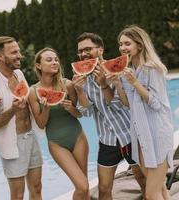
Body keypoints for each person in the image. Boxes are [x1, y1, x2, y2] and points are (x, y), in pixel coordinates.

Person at [72, 32, 146, 200]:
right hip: (107, 139)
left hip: (130, 134)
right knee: (104, 189)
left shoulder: (117, 71)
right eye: (80, 51)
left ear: (100, 50)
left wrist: (104, 84)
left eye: (88, 49)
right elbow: (87, 111)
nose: (83, 54)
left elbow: (119, 105)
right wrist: (79, 90)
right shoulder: (80, 79)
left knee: (142, 179)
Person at [112, 25, 173, 200]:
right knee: (160, 189)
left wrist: (134, 83)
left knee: (151, 194)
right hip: (141, 136)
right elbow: (127, 104)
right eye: (120, 44)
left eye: (127, 43)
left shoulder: (152, 68)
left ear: (139, 45)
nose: (123, 47)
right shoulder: (128, 71)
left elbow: (156, 103)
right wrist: (117, 83)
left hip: (157, 135)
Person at [0, 36, 43, 200]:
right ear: (1, 56)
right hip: (13, 143)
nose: (19, 55)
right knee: (17, 195)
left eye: (19, 51)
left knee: (37, 187)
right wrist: (12, 110)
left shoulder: (19, 73)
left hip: (31, 137)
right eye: (14, 52)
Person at [28, 47, 90, 200]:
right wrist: (47, 107)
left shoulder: (67, 85)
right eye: (49, 60)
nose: (54, 62)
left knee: (84, 188)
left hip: (78, 137)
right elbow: (41, 124)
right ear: (38, 66)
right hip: (57, 143)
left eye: (56, 59)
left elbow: (79, 114)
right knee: (83, 186)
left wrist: (70, 108)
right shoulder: (33, 91)